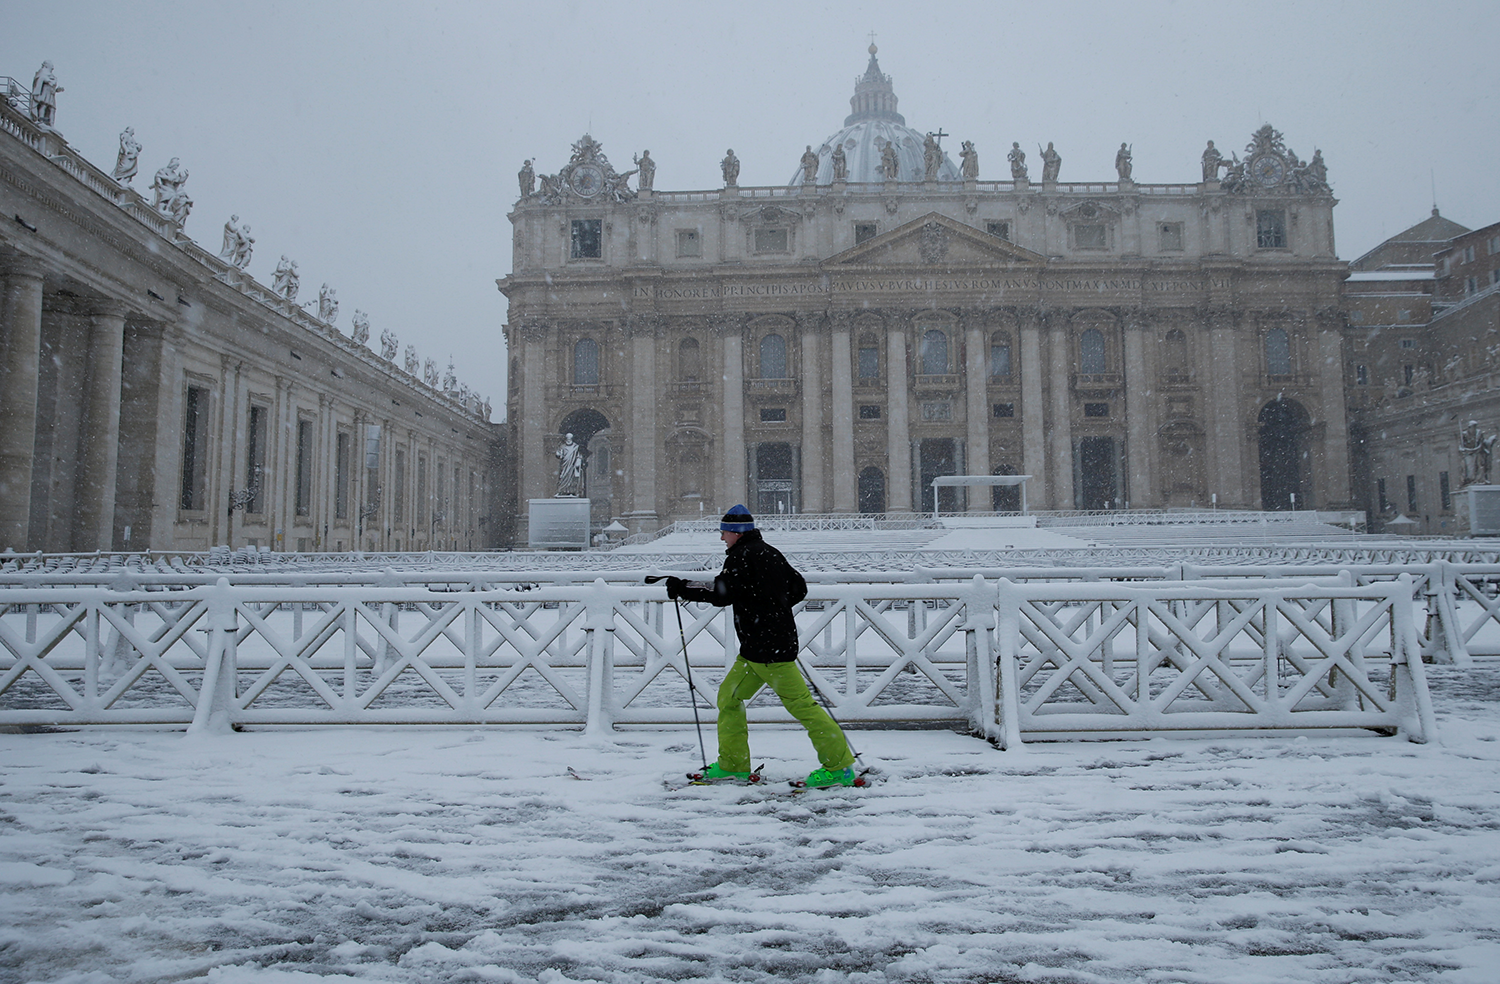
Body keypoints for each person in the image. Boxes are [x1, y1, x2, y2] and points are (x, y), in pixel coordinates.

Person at [667, 505, 858, 788]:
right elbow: (798, 588)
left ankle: (839, 766)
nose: (721, 538)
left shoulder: (741, 556)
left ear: (735, 533)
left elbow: (722, 593)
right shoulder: (769, 552)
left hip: (769, 651)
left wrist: (682, 588)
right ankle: (733, 765)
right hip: (758, 649)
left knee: (802, 706)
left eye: (723, 532)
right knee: (729, 698)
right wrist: (772, 608)